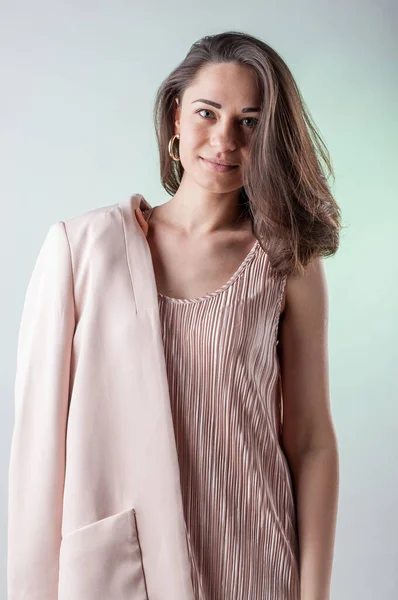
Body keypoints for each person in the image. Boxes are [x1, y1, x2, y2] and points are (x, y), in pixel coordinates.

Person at [8, 30, 341, 600]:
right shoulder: (82, 250)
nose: (224, 140)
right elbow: (39, 449)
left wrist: (313, 594)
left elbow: (310, 442)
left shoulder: (289, 263)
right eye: (207, 113)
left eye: (250, 121)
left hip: (254, 560)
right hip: (121, 568)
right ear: (175, 118)